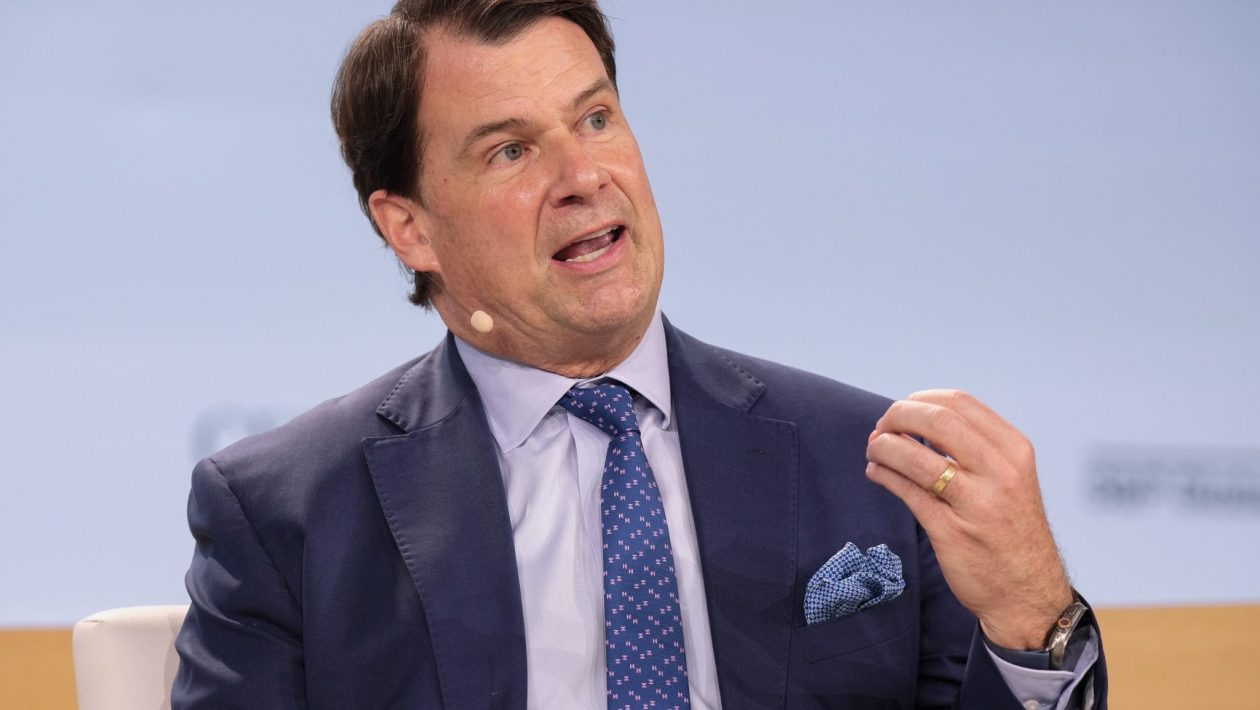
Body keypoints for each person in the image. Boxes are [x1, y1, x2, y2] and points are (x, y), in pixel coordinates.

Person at [173, 1, 1106, 708]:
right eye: (510, 151)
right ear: (409, 227)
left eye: (595, 119)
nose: (584, 177)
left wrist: (1033, 620)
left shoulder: (868, 464)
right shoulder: (287, 513)